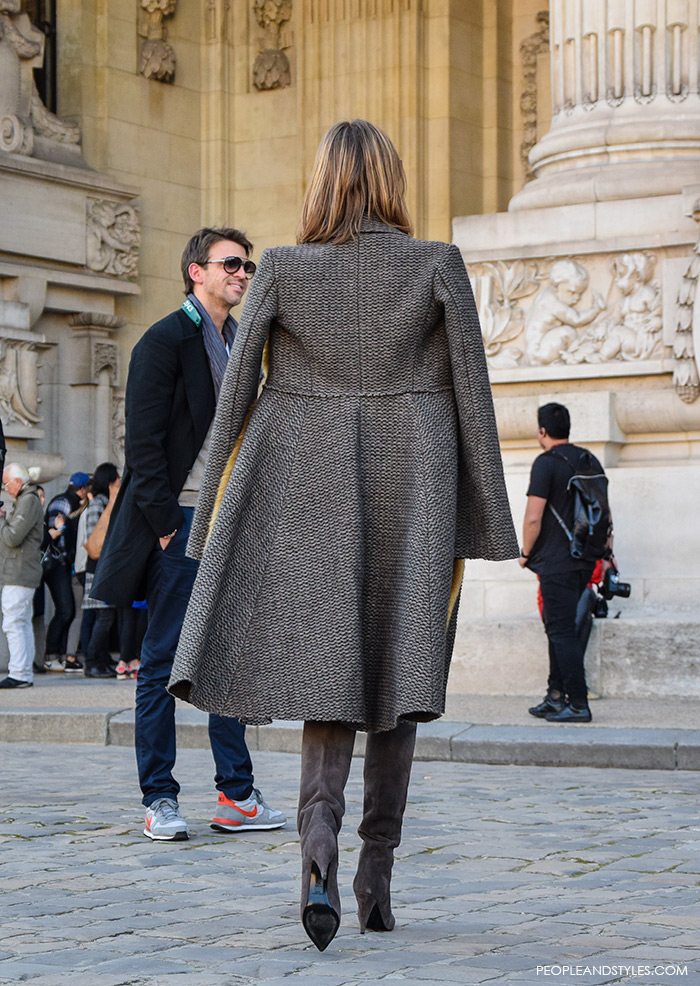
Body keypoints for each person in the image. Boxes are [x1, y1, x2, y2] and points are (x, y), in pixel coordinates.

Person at [168, 119, 519, 950]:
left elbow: (236, 398)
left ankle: (316, 854)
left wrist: (209, 514)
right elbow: (474, 394)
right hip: (418, 488)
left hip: (308, 486)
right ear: (391, 179)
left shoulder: (283, 269)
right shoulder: (437, 262)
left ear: (323, 181)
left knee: (329, 684)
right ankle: (376, 881)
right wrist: (487, 520)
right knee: (399, 682)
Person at [90, 226, 285, 841]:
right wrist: (172, 529)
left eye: (248, 266)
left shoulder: (239, 343)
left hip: (230, 519)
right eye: (231, 264)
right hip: (183, 524)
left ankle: (236, 796)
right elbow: (142, 452)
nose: (243, 274)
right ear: (195, 271)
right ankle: (160, 799)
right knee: (162, 664)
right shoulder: (164, 341)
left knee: (227, 659)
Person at [519, 402, 611, 724]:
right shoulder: (589, 459)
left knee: (561, 632)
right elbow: (604, 512)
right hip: (585, 560)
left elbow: (533, 517)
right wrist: (606, 554)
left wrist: (526, 553)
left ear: (542, 431)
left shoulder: (545, 464)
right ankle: (555, 697)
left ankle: (578, 703)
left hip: (556, 562)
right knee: (559, 629)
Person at [0, 464, 44, 688]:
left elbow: (12, 538)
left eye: (6, 484)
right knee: (22, 622)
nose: (5, 489)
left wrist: (1, 520)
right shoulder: (29, 499)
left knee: (13, 623)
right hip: (22, 571)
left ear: (18, 482)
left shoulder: (28, 500)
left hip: (18, 572)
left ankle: (18, 673)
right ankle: (23, 673)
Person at [42, 471, 89, 671]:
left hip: (64, 564)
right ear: (82, 489)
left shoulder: (70, 503)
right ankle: (51, 654)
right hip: (57, 565)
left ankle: (58, 654)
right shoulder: (62, 503)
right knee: (65, 610)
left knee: (68, 610)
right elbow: (53, 536)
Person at [81, 463, 120, 678]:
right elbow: (95, 541)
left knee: (106, 616)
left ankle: (101, 659)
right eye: (117, 478)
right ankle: (91, 661)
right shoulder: (98, 504)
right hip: (99, 569)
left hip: (105, 568)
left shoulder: (105, 502)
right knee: (103, 617)